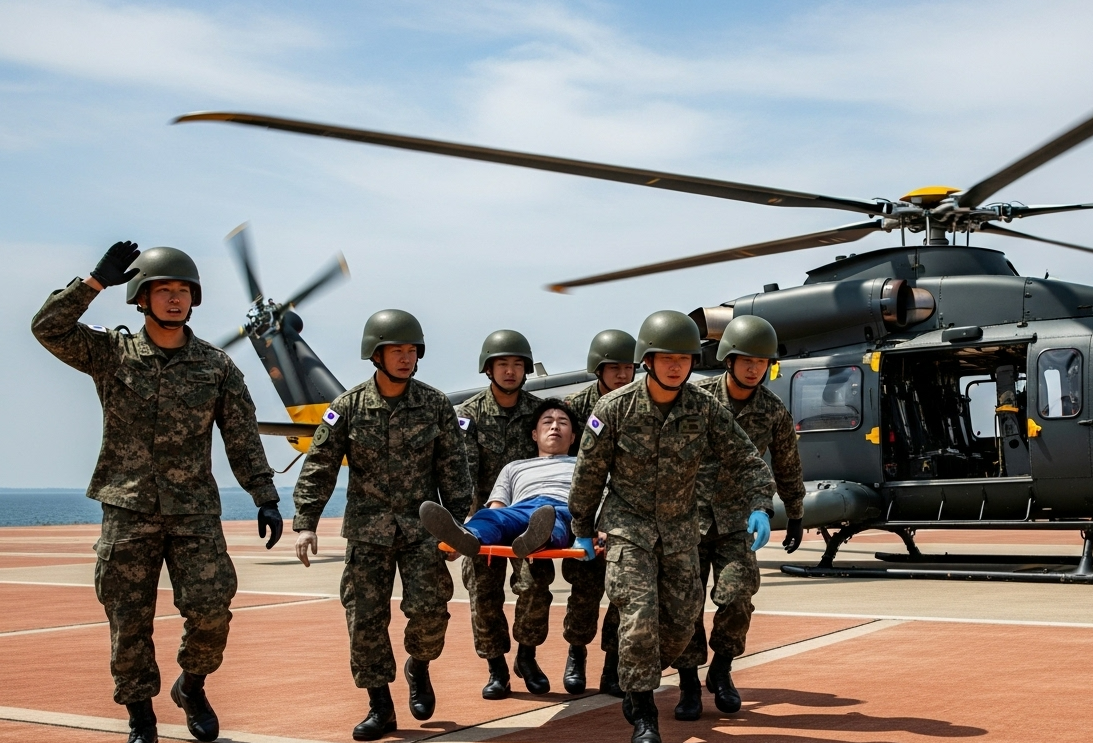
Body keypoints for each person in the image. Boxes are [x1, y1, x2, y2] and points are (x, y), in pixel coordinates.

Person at [31, 242, 283, 743]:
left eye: (183, 291)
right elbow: (47, 329)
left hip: (193, 513)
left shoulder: (216, 366)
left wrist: (265, 494)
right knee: (129, 621)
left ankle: (192, 685)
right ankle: (141, 717)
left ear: (195, 299)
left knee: (212, 609)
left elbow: (241, 434)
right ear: (140, 298)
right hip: (128, 509)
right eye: (162, 290)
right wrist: (93, 283)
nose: (174, 299)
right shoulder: (110, 352)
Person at [568, 310, 777, 743]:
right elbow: (588, 473)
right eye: (667, 357)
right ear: (647, 359)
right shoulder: (614, 408)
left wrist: (761, 505)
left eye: (684, 357)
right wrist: (582, 527)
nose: (677, 365)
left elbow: (746, 458)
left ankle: (639, 676)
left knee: (682, 626)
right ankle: (643, 712)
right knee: (639, 616)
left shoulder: (704, 408)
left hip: (682, 529)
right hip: (629, 528)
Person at [291, 310, 471, 741]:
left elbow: (454, 471)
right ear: (376, 355)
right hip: (367, 533)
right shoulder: (347, 408)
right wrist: (305, 522)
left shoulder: (435, 404)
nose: (406, 358)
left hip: (421, 531)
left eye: (412, 351)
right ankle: (380, 706)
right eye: (397, 351)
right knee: (364, 621)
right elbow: (319, 465)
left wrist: (463, 527)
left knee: (429, 615)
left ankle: (418, 665)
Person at [671, 314, 806, 720]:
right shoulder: (697, 399)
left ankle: (723, 669)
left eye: (761, 362)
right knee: (684, 606)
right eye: (746, 359)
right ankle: (689, 682)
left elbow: (786, 464)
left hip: (738, 523)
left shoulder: (773, 411)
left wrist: (794, 513)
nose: (753, 368)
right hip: (687, 520)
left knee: (737, 598)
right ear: (728, 359)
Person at [457, 330, 554, 698]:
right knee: (484, 595)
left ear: (526, 369)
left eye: (516, 364)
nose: (510, 371)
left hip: (530, 519)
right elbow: (462, 472)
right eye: (502, 364)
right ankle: (496, 668)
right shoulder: (469, 415)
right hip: (484, 519)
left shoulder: (539, 413)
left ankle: (526, 656)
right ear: (489, 369)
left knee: (534, 586)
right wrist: (465, 519)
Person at [561, 329, 636, 695]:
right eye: (614, 368)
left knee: (623, 594)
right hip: (588, 510)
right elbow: (568, 465)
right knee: (585, 590)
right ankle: (576, 654)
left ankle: (612, 666)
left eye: (628, 367)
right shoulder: (576, 407)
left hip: (624, 512)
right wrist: (582, 521)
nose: (623, 375)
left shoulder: (641, 402)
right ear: (598, 369)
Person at [421, 399, 579, 558]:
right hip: (521, 509)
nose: (554, 426)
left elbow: (595, 498)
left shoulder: (582, 464)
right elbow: (498, 507)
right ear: (534, 434)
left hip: (562, 506)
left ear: (572, 437)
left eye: (563, 423)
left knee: (553, 520)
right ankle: (467, 536)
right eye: (547, 422)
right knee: (488, 516)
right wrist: (487, 520)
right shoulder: (514, 467)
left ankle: (539, 538)